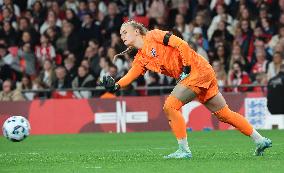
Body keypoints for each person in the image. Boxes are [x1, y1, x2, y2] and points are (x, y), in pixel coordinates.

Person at [101, 20, 272, 159]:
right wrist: (115, 86)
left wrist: (187, 68)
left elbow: (181, 44)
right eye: (121, 33)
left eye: (125, 31)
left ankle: (184, 150)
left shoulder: (153, 35)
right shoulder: (140, 58)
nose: (122, 35)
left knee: (170, 106)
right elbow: (131, 75)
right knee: (224, 114)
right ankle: (260, 139)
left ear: (137, 31)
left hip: (196, 70)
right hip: (202, 72)